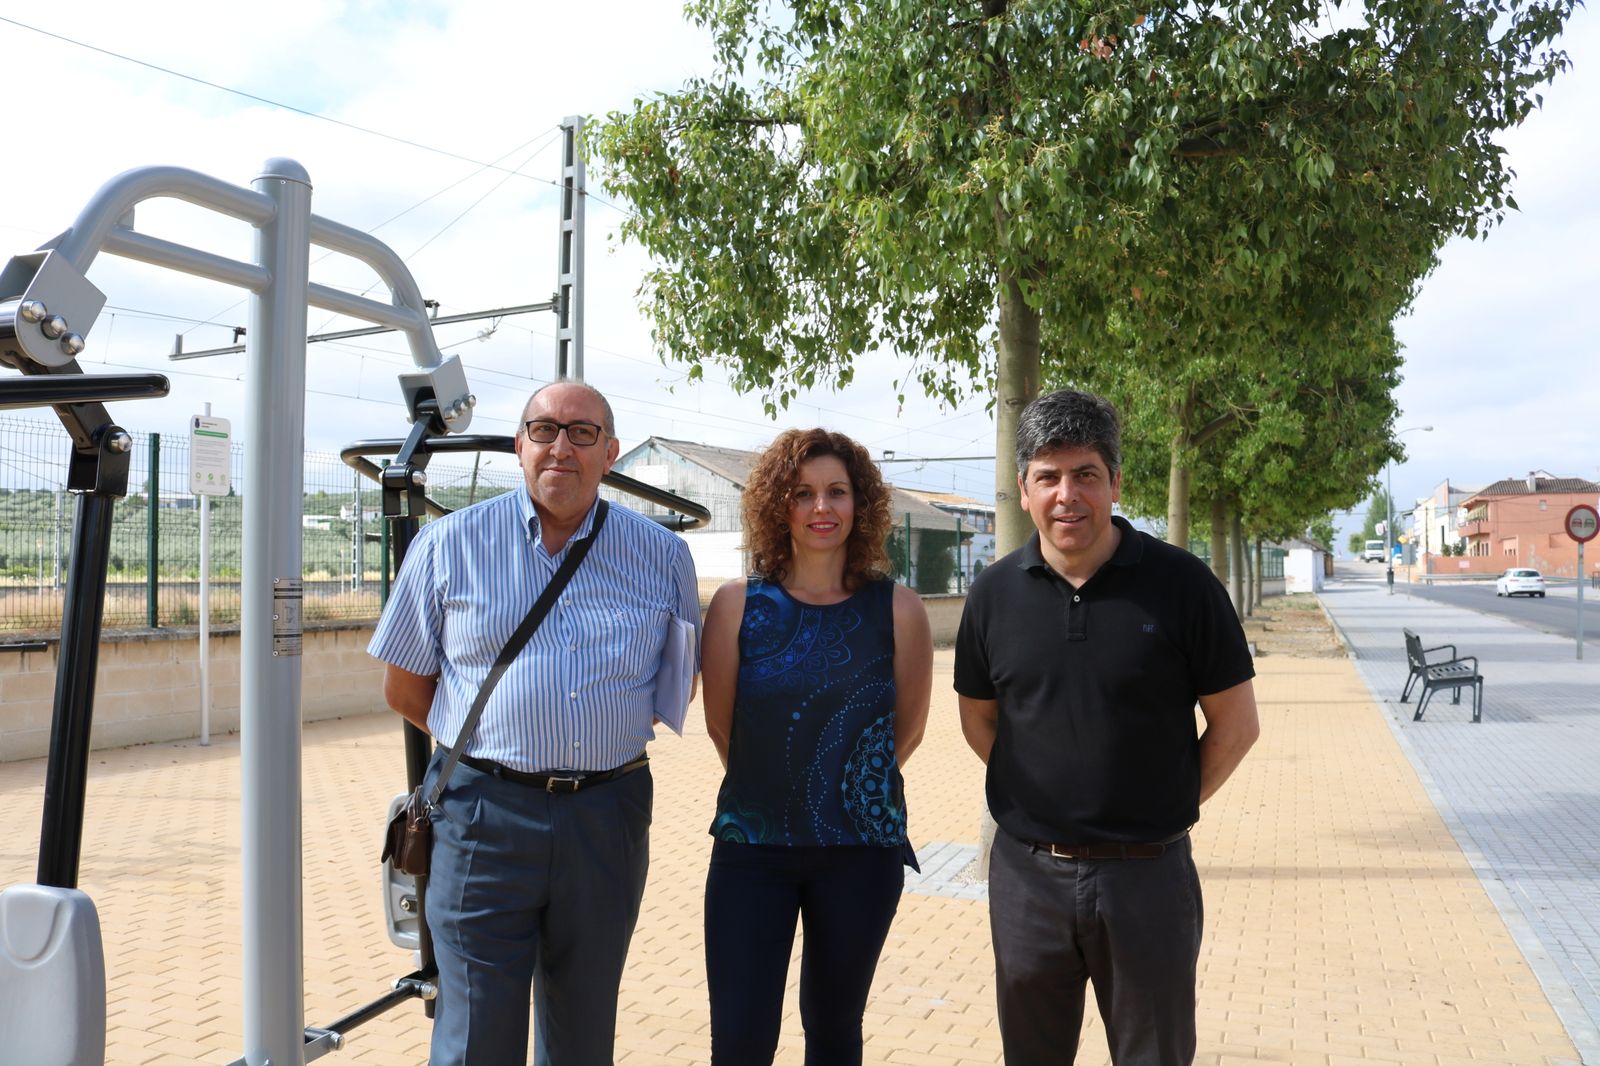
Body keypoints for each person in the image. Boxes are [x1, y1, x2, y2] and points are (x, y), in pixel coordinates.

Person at [368, 380, 700, 1066]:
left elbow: (676, 682)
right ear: (520, 445)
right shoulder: (446, 545)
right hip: (481, 814)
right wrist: (498, 747)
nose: (561, 446)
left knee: (582, 1029)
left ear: (610, 453)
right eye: (543, 429)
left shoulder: (663, 556)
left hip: (607, 816)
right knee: (474, 1034)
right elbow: (404, 686)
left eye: (583, 433)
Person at [953, 388, 1259, 1066]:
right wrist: (1043, 801)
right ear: (1024, 490)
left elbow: (1236, 725)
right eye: (1049, 476)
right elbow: (978, 718)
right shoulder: (993, 596)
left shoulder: (1183, 586)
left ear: (1115, 483)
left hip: (1148, 879)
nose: (1068, 494)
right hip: (1027, 879)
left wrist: (1156, 806)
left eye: (1086, 474)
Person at [699, 428, 933, 1066]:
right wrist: (781, 792)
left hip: (860, 855)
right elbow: (724, 729)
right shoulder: (736, 606)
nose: (821, 508)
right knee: (741, 1041)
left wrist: (836, 792)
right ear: (781, 505)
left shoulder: (900, 609)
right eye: (803, 494)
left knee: (834, 1033)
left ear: (861, 505)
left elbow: (905, 732)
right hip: (752, 853)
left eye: (837, 492)